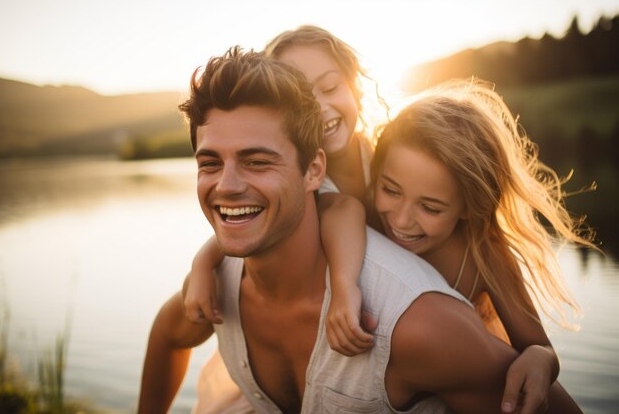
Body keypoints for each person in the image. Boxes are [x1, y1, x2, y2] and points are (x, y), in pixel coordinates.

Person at [137, 46, 583, 414]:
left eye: (257, 160)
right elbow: (166, 333)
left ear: (314, 170)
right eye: (210, 162)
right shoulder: (223, 282)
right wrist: (204, 259)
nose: (228, 185)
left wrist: (541, 354)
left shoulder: (419, 321)